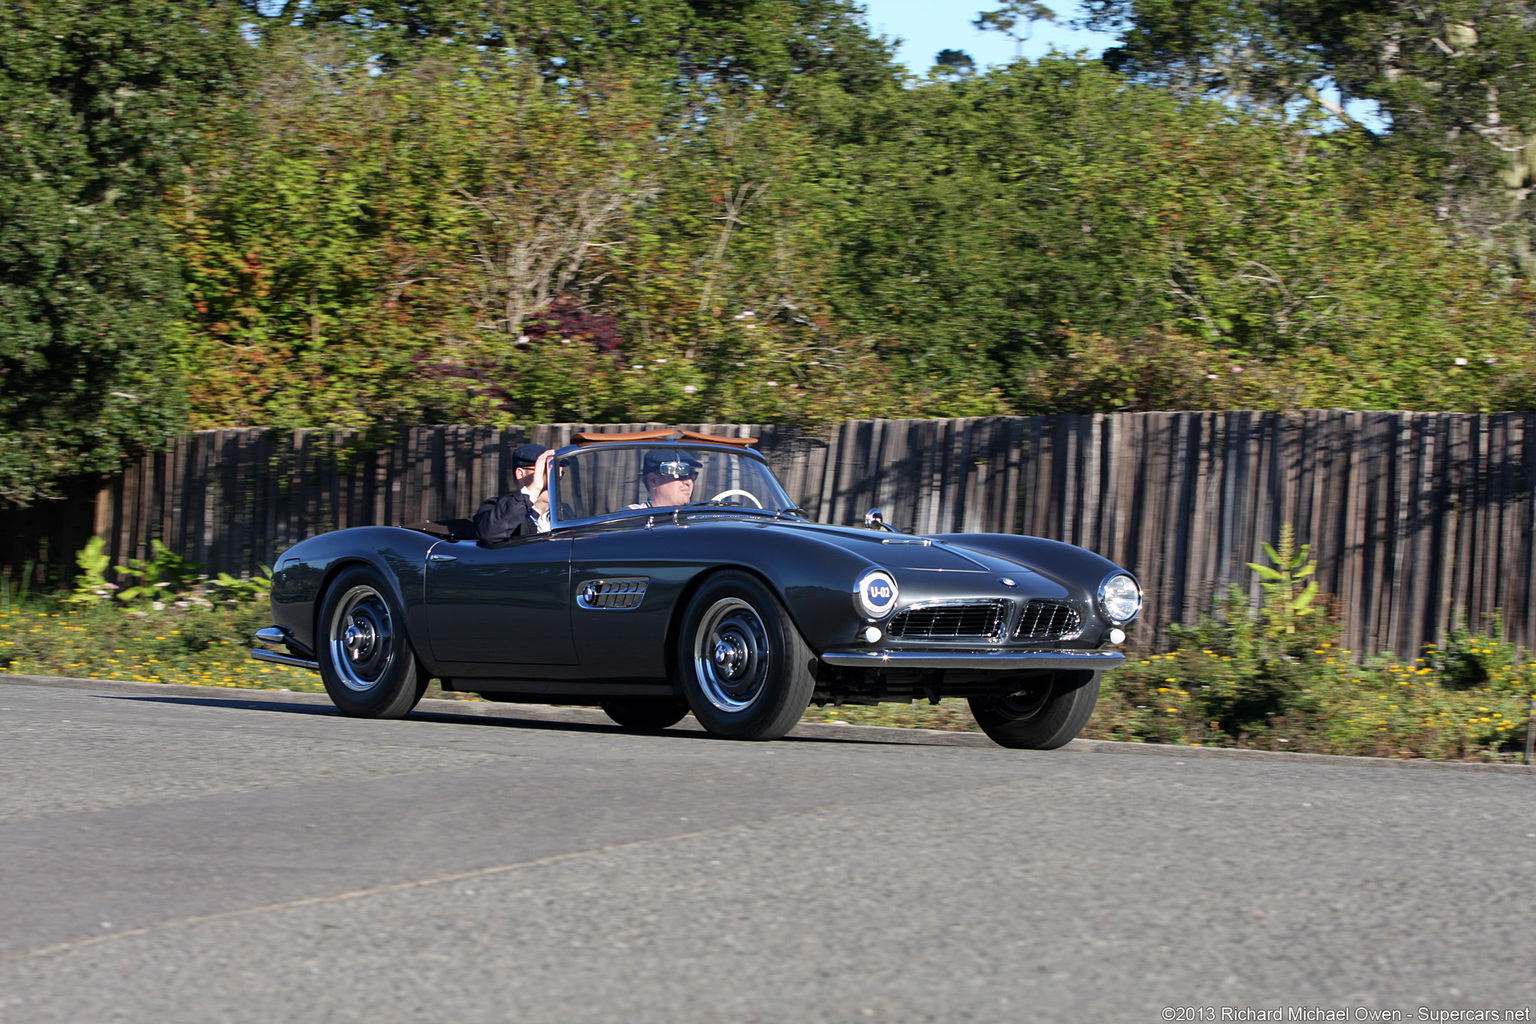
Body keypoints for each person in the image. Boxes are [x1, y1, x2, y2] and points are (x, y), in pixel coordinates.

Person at [473, 442, 555, 543]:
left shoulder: (564, 512)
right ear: (521, 474)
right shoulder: (496, 509)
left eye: (557, 474)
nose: (554, 480)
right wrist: (534, 489)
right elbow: (489, 534)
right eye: (545, 472)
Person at [626, 449, 702, 509]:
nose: (689, 481)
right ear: (653, 481)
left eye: (692, 474)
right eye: (680, 474)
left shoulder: (699, 520)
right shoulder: (631, 519)